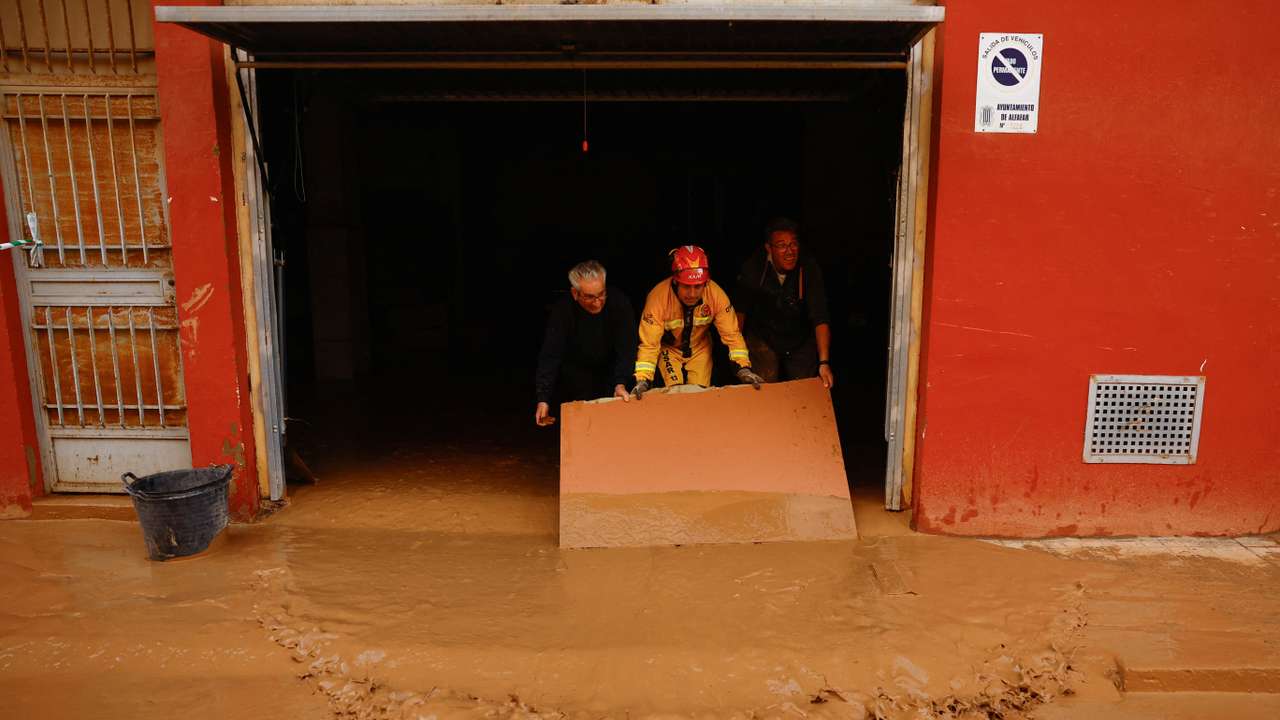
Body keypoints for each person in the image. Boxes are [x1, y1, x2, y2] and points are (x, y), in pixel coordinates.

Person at [632, 245, 764, 398]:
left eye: (698, 286)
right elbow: (649, 344)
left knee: (699, 396)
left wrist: (743, 367)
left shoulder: (716, 295)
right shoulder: (657, 299)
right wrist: (643, 379)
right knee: (675, 394)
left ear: (706, 282)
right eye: (687, 286)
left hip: (700, 348)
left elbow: (732, 335)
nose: (692, 293)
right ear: (675, 281)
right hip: (669, 349)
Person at [735, 218, 834, 388]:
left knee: (804, 390)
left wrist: (824, 362)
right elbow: (739, 313)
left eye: (794, 244)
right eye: (781, 246)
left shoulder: (808, 267)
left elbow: (820, 316)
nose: (790, 252)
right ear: (769, 248)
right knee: (762, 389)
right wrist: (739, 361)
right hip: (763, 335)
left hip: (800, 337)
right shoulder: (753, 268)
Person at [534, 260, 635, 426]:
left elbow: (627, 348)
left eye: (601, 294)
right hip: (576, 373)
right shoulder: (562, 311)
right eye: (589, 297)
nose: (597, 302)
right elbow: (551, 355)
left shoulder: (619, 302)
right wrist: (543, 398)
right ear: (575, 293)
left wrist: (621, 382)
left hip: (612, 368)